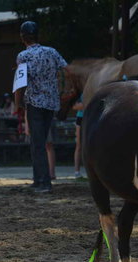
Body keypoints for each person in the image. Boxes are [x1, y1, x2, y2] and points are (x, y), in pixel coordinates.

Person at [14, 21, 67, 193]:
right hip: (51, 103)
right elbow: (66, 69)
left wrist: (18, 102)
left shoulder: (23, 56)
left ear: (23, 37)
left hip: (35, 102)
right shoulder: (51, 51)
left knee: (37, 144)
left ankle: (42, 182)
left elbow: (21, 81)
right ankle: (40, 179)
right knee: (42, 141)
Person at [73, 94, 85, 180]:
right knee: (79, 145)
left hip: (92, 117)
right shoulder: (81, 92)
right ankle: (77, 171)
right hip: (81, 118)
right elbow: (75, 106)